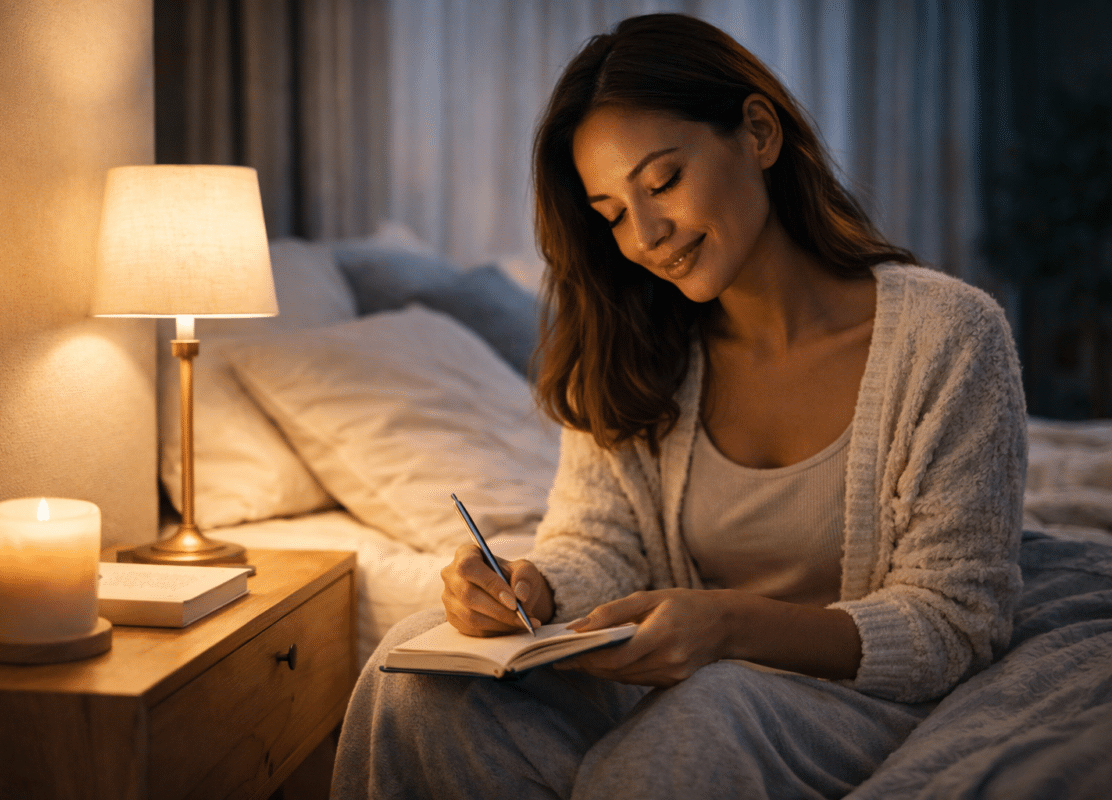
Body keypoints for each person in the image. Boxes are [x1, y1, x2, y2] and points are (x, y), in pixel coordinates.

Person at [331, 12, 1026, 800]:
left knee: (698, 725)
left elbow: (953, 619)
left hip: (853, 699)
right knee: (411, 676)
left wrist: (728, 625)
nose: (646, 236)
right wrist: (535, 587)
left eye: (662, 182)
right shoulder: (632, 342)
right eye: (613, 213)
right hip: (674, 681)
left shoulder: (950, 335)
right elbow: (601, 539)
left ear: (758, 133)